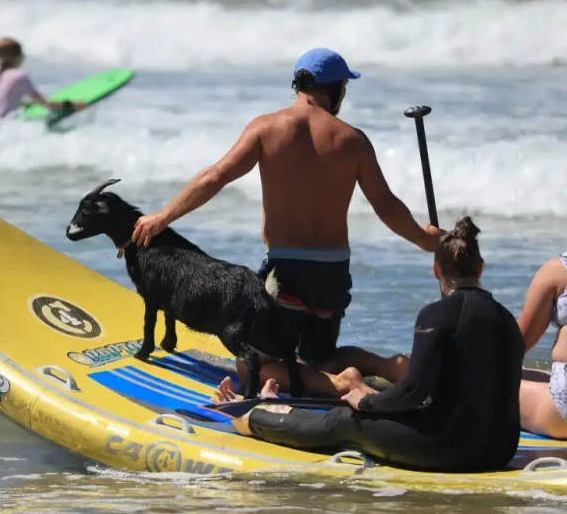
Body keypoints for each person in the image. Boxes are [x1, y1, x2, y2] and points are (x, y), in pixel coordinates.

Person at [131, 47, 442, 389]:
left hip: (286, 274)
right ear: (337, 88)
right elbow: (386, 206)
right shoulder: (353, 141)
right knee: (319, 355)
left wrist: (163, 216)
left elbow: (215, 177)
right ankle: (391, 365)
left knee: (250, 362)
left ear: (298, 86)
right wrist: (423, 239)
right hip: (333, 273)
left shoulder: (267, 129)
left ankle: (340, 386)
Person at [215, 218, 525, 473]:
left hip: (448, 450)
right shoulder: (507, 319)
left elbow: (412, 393)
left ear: (436, 271)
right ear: (480, 268)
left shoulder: (437, 314)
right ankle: (278, 407)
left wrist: (367, 402)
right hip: (501, 448)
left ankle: (255, 417)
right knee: (385, 409)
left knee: (346, 421)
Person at [0, 37, 85, 141]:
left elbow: (1, 99)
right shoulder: (19, 75)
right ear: (19, 56)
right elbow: (46, 105)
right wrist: (71, 105)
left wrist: (25, 103)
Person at [517, 254, 567, 439]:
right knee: (526, 373)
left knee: (479, 381)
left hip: (562, 411)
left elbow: (513, 348)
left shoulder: (558, 269)